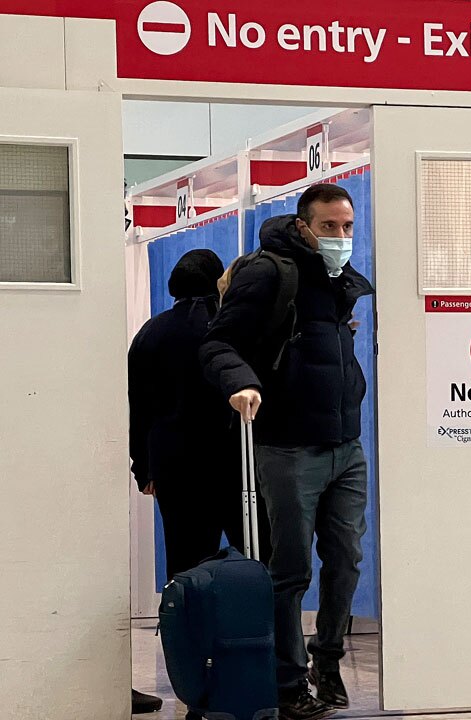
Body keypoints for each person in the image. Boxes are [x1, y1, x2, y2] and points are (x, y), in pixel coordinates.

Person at [201, 183, 374, 720]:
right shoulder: (271, 272)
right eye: (329, 227)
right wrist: (240, 383)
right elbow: (217, 343)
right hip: (287, 447)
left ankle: (328, 660)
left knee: (346, 561)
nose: (341, 237)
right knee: (292, 569)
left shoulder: (338, 281)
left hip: (346, 446)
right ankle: (287, 679)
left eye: (347, 227)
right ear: (304, 226)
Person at [129, 249, 269, 579]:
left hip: (175, 464)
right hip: (235, 462)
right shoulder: (229, 330)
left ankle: (186, 629)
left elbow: (140, 409)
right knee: (255, 558)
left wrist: (143, 468)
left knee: (186, 563)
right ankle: (252, 628)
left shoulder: (150, 333)